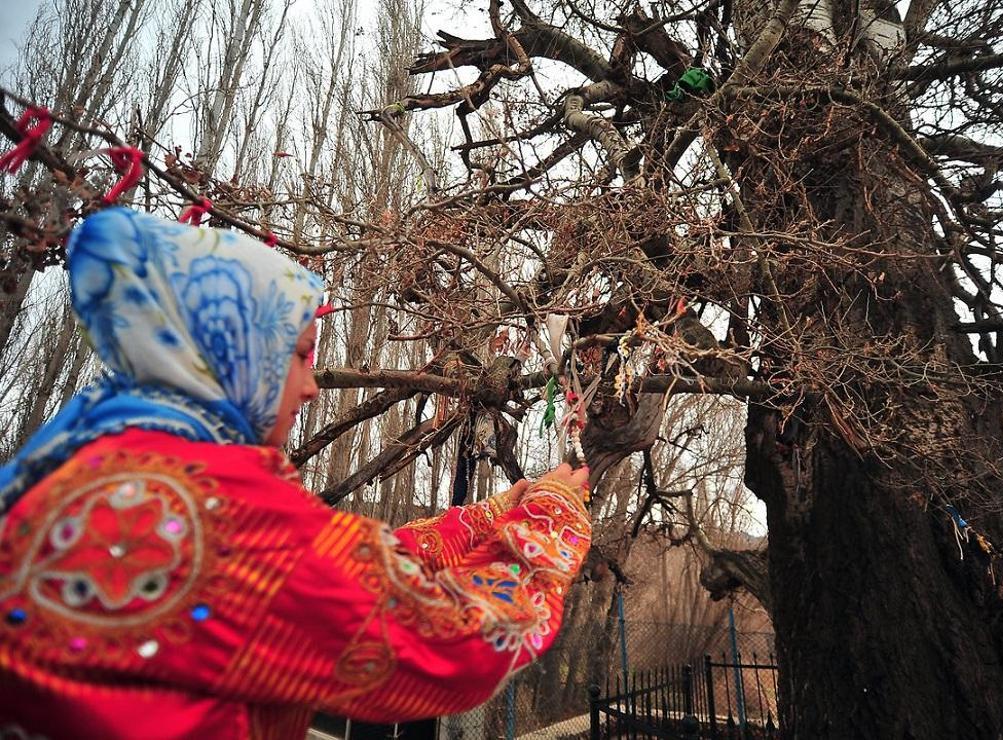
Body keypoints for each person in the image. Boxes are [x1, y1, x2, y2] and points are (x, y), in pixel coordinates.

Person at [0, 207, 591, 738]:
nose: (310, 387)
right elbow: (453, 643)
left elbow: (333, 576)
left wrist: (486, 520)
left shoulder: (99, 454)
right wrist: (549, 517)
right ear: (232, 346)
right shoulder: (219, 506)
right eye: (300, 353)